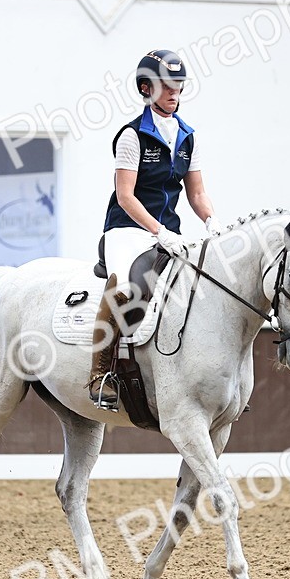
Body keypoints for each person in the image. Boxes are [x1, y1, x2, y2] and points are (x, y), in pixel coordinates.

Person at [88, 49, 221, 410]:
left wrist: (211, 220)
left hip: (169, 232)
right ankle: (100, 374)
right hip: (127, 229)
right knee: (124, 286)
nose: (174, 92)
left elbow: (196, 193)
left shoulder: (187, 137)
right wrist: (158, 230)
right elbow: (126, 196)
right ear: (146, 88)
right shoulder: (132, 136)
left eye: (178, 85)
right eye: (166, 86)